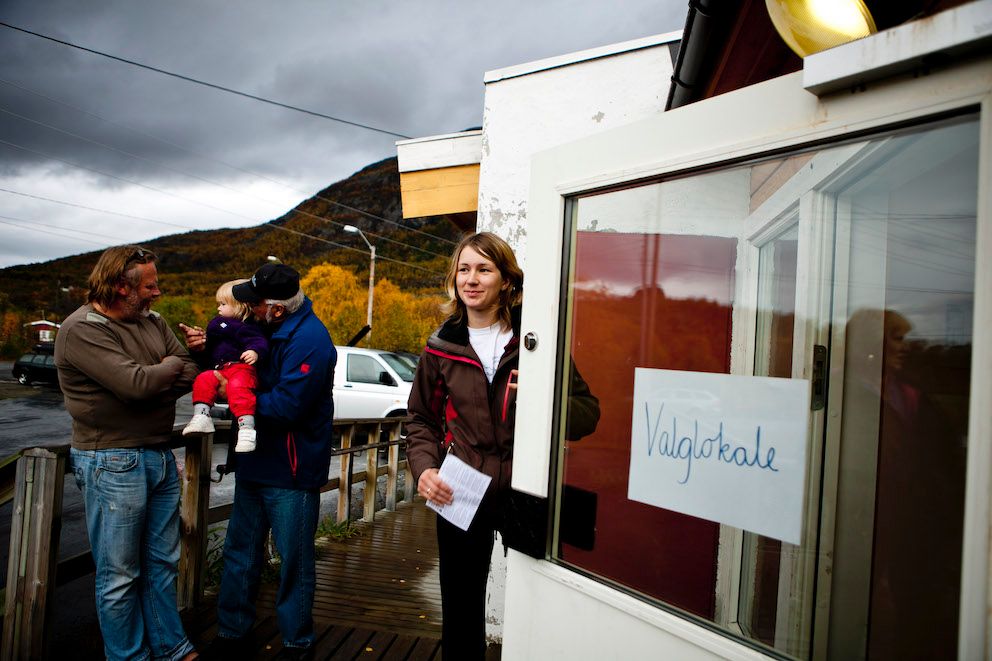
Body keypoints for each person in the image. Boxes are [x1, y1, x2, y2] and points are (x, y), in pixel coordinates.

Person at [54, 245, 200, 661]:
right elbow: (137, 385)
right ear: (121, 286)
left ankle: (171, 647)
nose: (158, 293)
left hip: (158, 456)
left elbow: (187, 370)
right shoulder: (83, 329)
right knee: (119, 575)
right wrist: (168, 368)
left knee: (162, 563)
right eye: (150, 286)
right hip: (112, 462)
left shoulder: (152, 321)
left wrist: (162, 373)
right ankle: (128, 657)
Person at [186, 263, 336, 658]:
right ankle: (232, 635)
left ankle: (296, 644)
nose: (247, 309)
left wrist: (228, 404)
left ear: (276, 308)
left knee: (294, 563)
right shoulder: (261, 330)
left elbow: (289, 405)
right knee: (240, 554)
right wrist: (207, 356)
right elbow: (228, 368)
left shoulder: (312, 341)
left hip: (292, 468)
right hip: (253, 460)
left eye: (253, 304)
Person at [405, 232, 525, 659]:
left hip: (525, 486)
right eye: (464, 269)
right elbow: (420, 418)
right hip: (460, 488)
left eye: (484, 269)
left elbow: (583, 410)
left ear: (506, 280)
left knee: (536, 600)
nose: (471, 279)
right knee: (460, 610)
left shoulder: (535, 341)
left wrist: (549, 400)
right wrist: (425, 470)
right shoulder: (441, 346)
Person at [181, 279, 269, 452]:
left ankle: (246, 429)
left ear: (239, 307)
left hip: (241, 368)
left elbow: (258, 342)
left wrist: (254, 351)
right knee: (203, 380)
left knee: (239, 389)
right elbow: (209, 351)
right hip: (220, 368)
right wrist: (200, 346)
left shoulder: (250, 327)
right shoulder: (216, 325)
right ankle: (202, 416)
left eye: (223, 304)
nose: (218, 308)